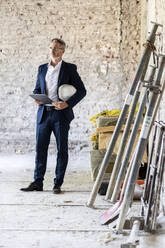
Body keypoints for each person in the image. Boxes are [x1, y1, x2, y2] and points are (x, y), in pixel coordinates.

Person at [20, 38, 86, 193]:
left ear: (62, 51)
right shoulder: (42, 68)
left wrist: (67, 103)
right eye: (50, 47)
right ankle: (38, 182)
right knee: (40, 148)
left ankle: (58, 184)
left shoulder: (70, 69)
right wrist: (37, 98)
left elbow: (82, 91)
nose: (52, 51)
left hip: (61, 115)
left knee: (62, 149)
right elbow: (38, 89)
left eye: (56, 48)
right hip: (43, 114)